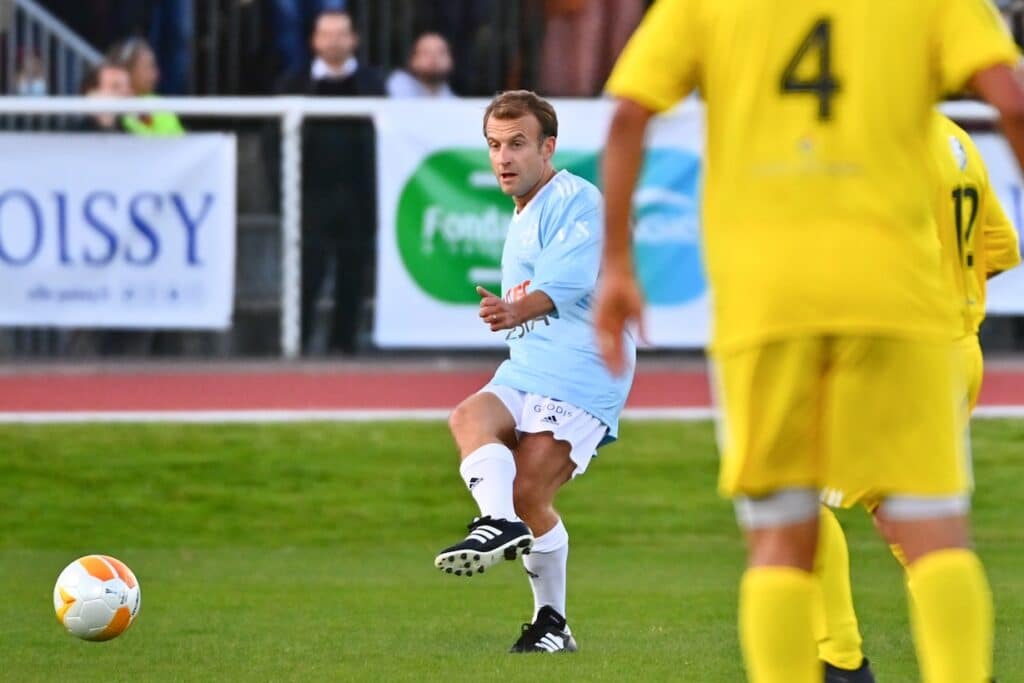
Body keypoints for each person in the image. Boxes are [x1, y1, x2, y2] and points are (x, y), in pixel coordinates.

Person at [595, 1, 1024, 681]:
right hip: (901, 299)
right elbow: (1013, 100)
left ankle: (839, 661)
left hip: (769, 299)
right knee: (936, 531)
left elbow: (625, 114)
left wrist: (616, 262)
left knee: (780, 537)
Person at [813, 111, 1022, 681]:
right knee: (911, 522)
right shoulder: (953, 134)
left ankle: (838, 661)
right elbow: (1000, 250)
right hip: (960, 351)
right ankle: (963, 668)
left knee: (792, 491)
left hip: (902, 356)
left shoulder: (877, 137)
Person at [435, 90, 636, 653]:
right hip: (529, 364)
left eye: (517, 144)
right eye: (494, 145)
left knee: (528, 491)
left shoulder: (576, 199)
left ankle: (551, 620)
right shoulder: (524, 211)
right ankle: (497, 525)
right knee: (469, 416)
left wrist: (513, 309)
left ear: (547, 147)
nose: (503, 157)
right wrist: (514, 314)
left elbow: (568, 282)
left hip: (581, 372)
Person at [273, 10, 385, 354]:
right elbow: (271, 144)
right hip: (309, 197)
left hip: (359, 197)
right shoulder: (293, 84)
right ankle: (299, 345)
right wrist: (281, 192)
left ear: (354, 40)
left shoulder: (373, 85)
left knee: (353, 277)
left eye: (341, 34)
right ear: (314, 41)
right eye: (326, 34)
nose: (334, 41)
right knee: (306, 276)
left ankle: (344, 347)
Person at [107, 38, 185, 136]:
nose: (156, 74)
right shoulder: (107, 109)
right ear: (127, 69)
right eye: (148, 67)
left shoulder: (161, 105)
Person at [386, 32, 455, 98]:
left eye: (441, 53)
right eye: (426, 53)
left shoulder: (449, 95)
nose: (434, 58)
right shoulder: (397, 85)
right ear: (412, 59)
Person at [74, 62, 132, 132]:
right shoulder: (71, 135)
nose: (126, 93)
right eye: (115, 87)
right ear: (92, 94)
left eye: (127, 87)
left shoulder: (133, 130)